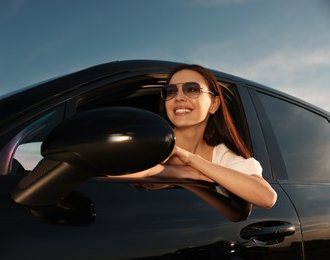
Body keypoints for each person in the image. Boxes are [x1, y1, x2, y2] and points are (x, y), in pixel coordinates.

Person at [118, 64, 277, 209]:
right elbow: (108, 172)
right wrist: (178, 172)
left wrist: (190, 159)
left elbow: (266, 197)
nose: (178, 97)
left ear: (214, 104)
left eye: (192, 89)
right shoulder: (148, 138)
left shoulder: (222, 155)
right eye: (172, 91)